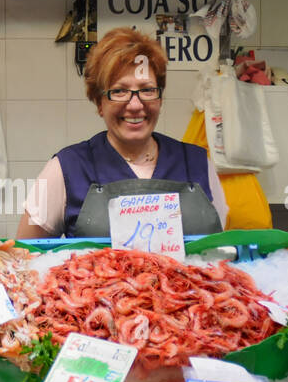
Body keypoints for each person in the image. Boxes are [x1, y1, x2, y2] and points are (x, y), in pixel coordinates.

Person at [16, 27, 230, 239]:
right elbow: (25, 254)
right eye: (119, 91)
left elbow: (220, 249)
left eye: (147, 90)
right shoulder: (66, 167)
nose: (135, 105)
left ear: (160, 99)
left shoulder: (198, 162)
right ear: (100, 102)